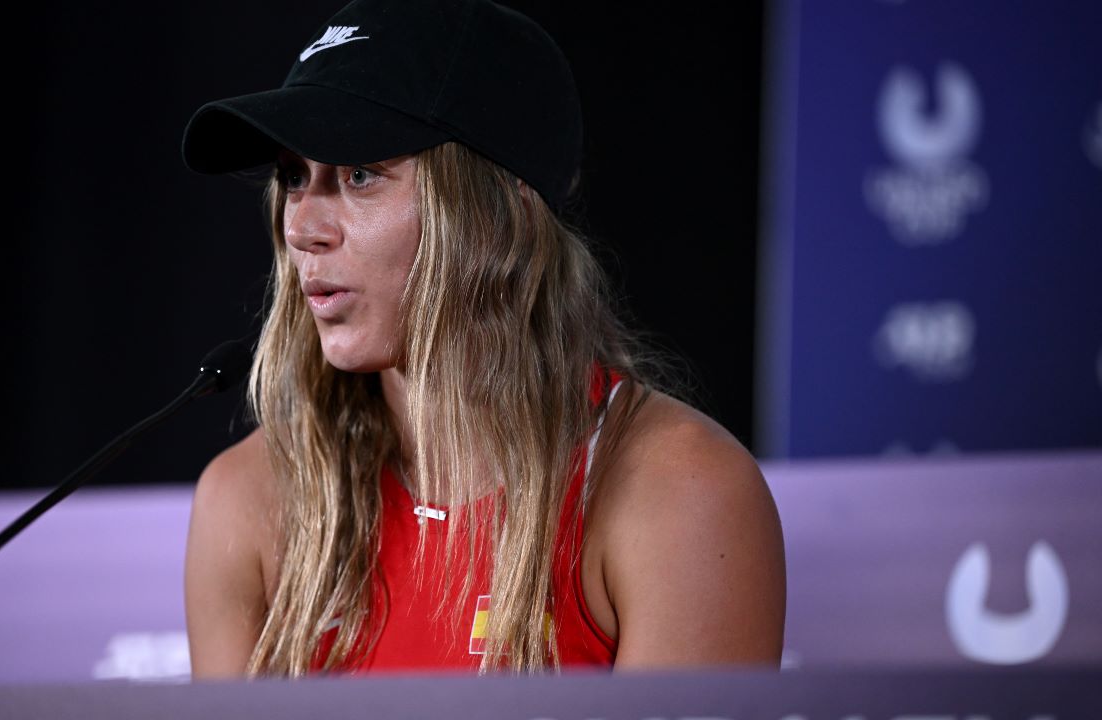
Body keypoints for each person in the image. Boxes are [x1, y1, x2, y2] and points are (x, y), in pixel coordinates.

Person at [181, 0, 785, 678]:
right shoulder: (249, 499)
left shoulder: (679, 493)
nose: (301, 229)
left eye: (359, 174)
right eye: (294, 178)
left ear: (499, 212)